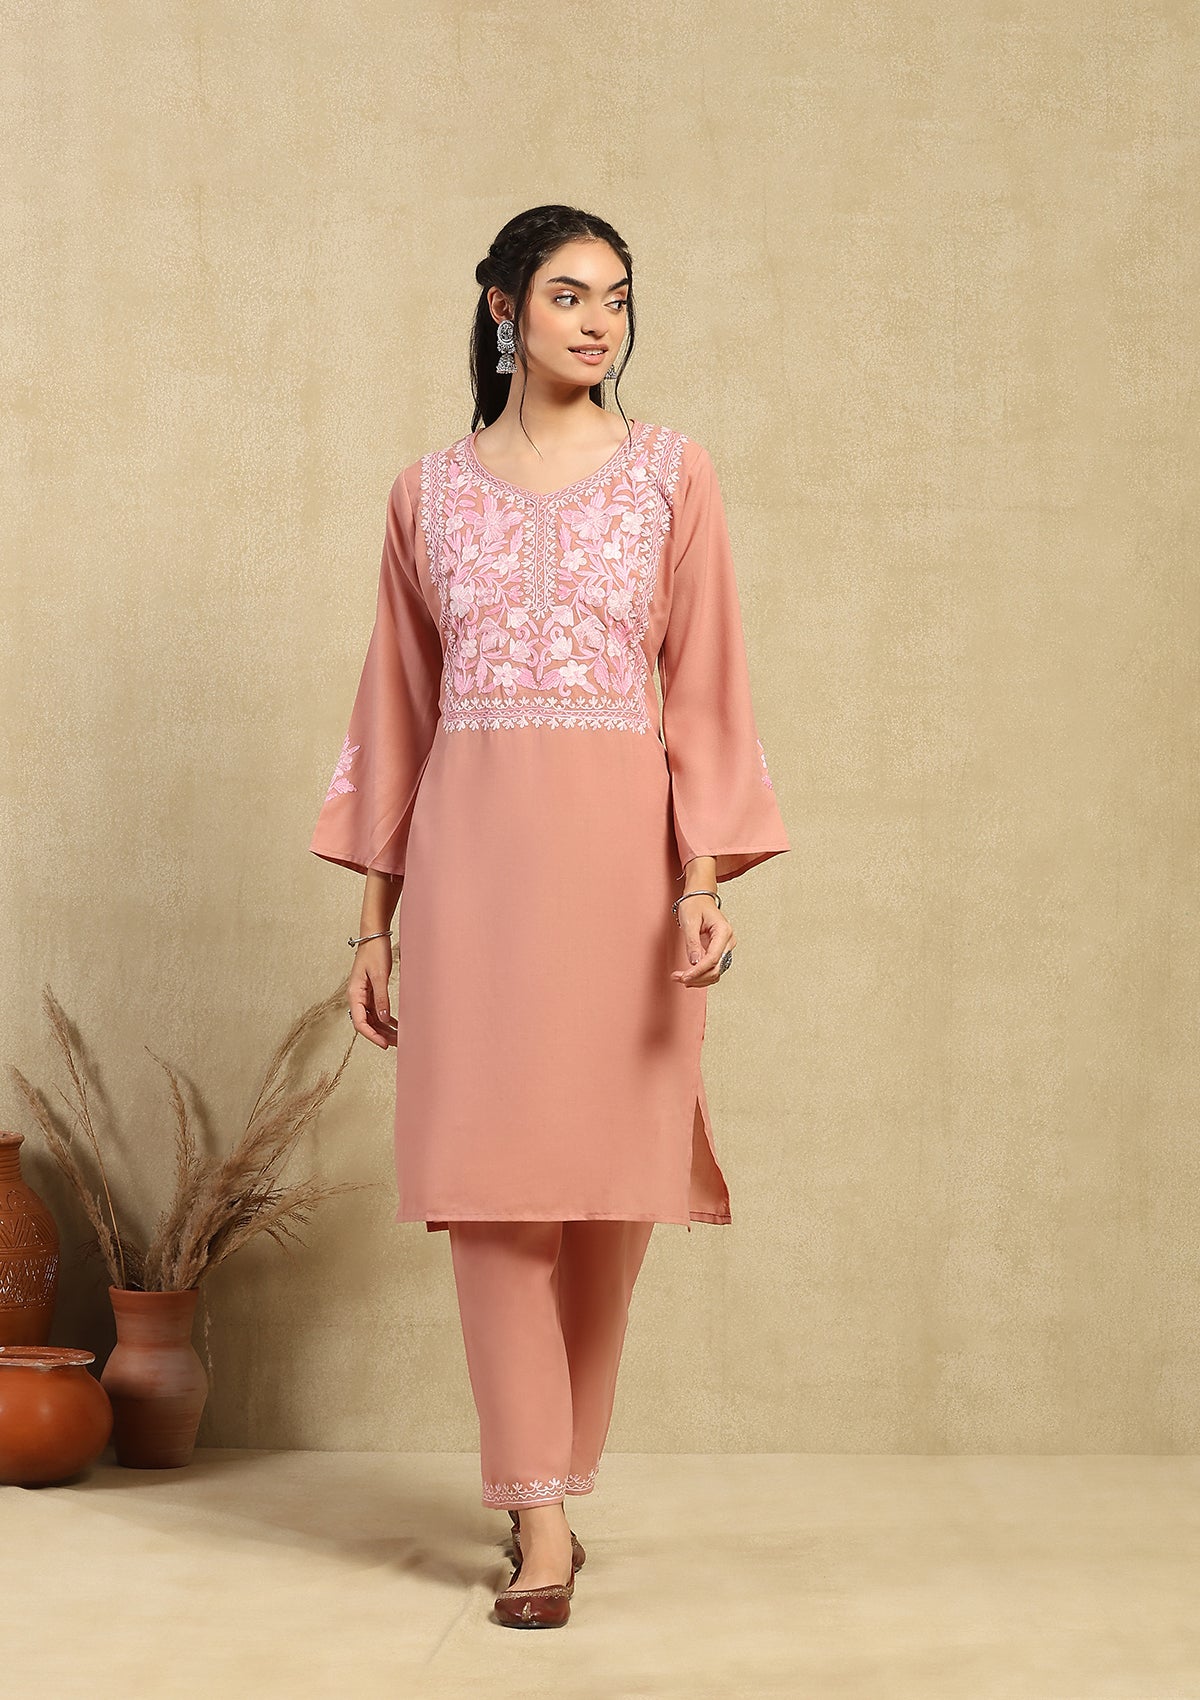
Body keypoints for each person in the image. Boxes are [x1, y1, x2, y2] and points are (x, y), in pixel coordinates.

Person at [309, 204, 791, 1629]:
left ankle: (555, 1475)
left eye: (618, 299)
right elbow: (395, 717)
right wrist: (374, 928)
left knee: (607, 1194)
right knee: (493, 1193)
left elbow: (708, 690)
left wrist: (701, 883)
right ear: (505, 309)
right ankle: (538, 1516)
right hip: (474, 884)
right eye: (571, 295)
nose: (599, 323)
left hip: (626, 884)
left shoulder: (673, 476)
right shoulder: (426, 496)